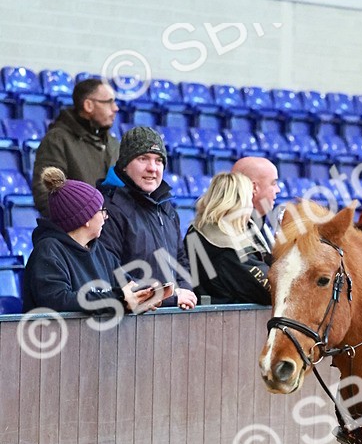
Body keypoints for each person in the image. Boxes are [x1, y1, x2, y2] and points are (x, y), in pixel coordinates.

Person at [23, 167, 159, 316]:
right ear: (86, 219)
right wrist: (118, 299)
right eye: (101, 211)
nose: (106, 216)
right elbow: (58, 300)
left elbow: (128, 286)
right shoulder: (48, 251)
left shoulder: (99, 250)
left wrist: (154, 294)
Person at [101, 127, 197, 310]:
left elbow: (181, 261)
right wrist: (171, 297)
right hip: (129, 325)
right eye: (143, 158)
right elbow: (110, 271)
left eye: (158, 160)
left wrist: (184, 292)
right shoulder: (109, 208)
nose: (152, 168)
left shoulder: (167, 208)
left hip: (170, 317)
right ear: (124, 165)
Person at [32, 78, 120, 216]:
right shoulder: (57, 140)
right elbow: (46, 194)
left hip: (110, 233)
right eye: (108, 102)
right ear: (88, 105)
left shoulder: (113, 143)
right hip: (77, 233)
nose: (115, 108)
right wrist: (79, 227)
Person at [186, 172, 272, 305]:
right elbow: (272, 292)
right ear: (240, 204)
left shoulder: (197, 229)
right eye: (249, 200)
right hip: (225, 321)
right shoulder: (229, 249)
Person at [231, 156, 281, 250]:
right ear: (254, 188)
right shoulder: (232, 233)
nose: (278, 190)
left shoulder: (259, 222)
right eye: (273, 184)